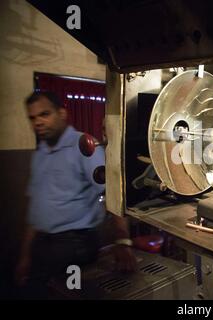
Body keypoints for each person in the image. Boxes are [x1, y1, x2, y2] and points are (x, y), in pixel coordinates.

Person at [15, 91, 136, 299]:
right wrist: (25, 256)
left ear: (62, 114)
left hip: (76, 247)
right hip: (44, 245)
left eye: (45, 114)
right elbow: (35, 206)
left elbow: (112, 192)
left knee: (74, 295)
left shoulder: (84, 146)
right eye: (33, 118)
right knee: (51, 293)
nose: (38, 122)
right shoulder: (40, 153)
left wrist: (123, 240)